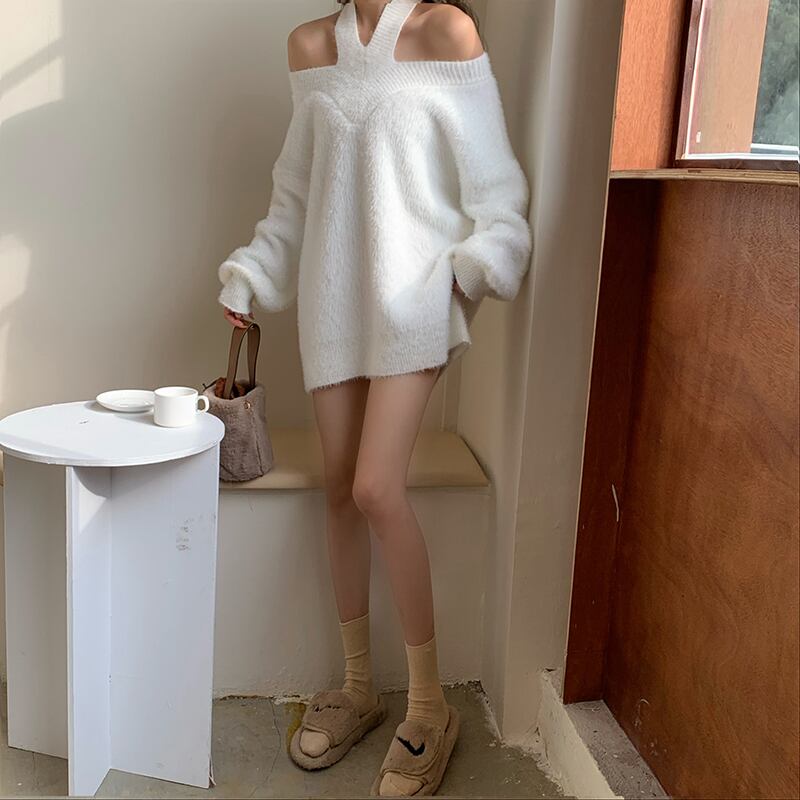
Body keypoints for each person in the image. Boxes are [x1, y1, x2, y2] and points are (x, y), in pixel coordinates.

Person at [217, 0, 532, 794]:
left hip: (415, 307)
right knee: (339, 491)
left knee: (374, 487)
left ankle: (428, 707)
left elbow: (497, 193)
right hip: (333, 309)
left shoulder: (446, 31)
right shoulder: (308, 45)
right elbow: (295, 193)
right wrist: (252, 274)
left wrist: (463, 278)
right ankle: (358, 688)